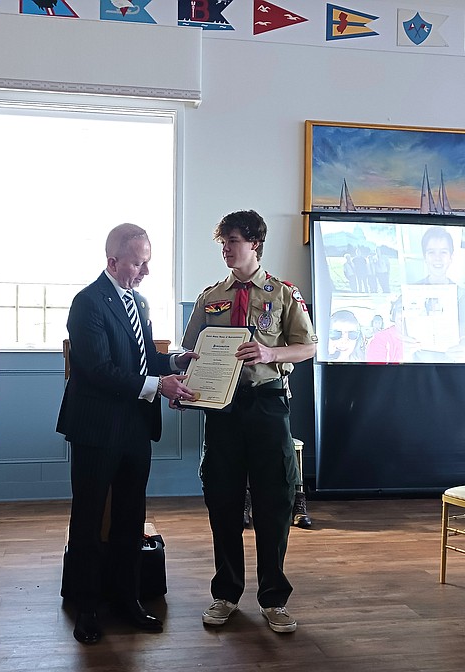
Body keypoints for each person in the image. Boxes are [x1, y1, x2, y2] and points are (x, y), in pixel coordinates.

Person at [57, 223, 197, 645]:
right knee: (87, 520)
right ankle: (87, 608)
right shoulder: (87, 303)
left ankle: (128, 600)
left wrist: (173, 362)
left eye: (148, 262)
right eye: (139, 263)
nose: (145, 271)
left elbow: (141, 356)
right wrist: (159, 385)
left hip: (136, 429)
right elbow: (98, 369)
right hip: (97, 430)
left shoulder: (139, 302)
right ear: (113, 261)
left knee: (130, 519)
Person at [181, 210, 317, 634]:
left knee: (274, 503)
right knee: (222, 501)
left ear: (255, 243)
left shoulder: (282, 294)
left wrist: (270, 353)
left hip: (267, 404)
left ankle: (274, 598)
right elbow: (189, 350)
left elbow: (308, 346)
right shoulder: (210, 297)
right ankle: (225, 593)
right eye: (223, 242)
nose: (227, 249)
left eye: (234, 241)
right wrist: (187, 374)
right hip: (222, 408)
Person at [410, 227, 465, 362]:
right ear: (424, 257)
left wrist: (464, 346)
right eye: (431, 252)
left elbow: (463, 327)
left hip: (449, 364)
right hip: (418, 366)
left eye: (443, 252)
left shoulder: (460, 292)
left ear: (451, 257)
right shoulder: (413, 291)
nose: (437, 258)